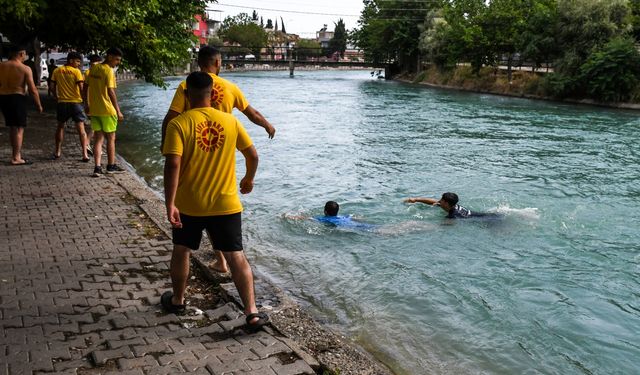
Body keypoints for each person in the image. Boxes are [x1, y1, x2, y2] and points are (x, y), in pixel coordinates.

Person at [162, 71, 267, 331]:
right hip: (226, 204)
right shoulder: (230, 122)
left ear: (186, 94)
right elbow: (252, 155)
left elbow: (173, 164)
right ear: (212, 93)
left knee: (182, 250)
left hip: (189, 203)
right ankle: (252, 313)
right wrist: (248, 180)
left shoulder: (179, 124)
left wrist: (170, 203)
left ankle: (178, 300)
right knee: (236, 256)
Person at [161, 46, 276, 274]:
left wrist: (167, 145)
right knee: (218, 205)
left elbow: (171, 117)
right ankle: (224, 260)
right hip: (221, 149)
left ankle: (217, 261)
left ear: (199, 62)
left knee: (196, 207)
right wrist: (267, 125)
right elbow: (251, 113)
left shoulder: (187, 85)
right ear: (217, 62)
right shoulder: (231, 87)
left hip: (192, 149)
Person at [0, 44, 43, 165]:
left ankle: (15, 154)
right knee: (19, 128)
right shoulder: (24, 68)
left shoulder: (1, 66)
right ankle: (16, 157)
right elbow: (32, 89)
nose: (26, 56)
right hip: (17, 97)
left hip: (3, 97)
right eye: (25, 54)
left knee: (13, 127)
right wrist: (38, 105)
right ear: (21, 54)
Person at [84, 47, 124, 176]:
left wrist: (86, 103)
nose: (117, 62)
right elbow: (111, 92)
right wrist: (118, 111)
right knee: (111, 138)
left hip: (95, 110)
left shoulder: (93, 68)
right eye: (117, 59)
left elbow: (85, 86)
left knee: (98, 139)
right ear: (110, 56)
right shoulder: (108, 71)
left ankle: (97, 168)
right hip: (107, 110)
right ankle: (111, 166)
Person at [50, 51, 89, 161]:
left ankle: (57, 151)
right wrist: (85, 102)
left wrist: (56, 97)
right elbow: (81, 88)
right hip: (76, 103)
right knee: (81, 129)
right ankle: (84, 154)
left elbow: (52, 86)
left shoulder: (57, 71)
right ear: (70, 60)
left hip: (62, 103)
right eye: (77, 61)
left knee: (60, 127)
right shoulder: (76, 72)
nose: (78, 64)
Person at [404, 192, 498, 219]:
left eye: (442, 200)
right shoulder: (450, 205)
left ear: (446, 203)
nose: (439, 201)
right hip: (487, 215)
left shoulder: (453, 215)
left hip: (488, 219)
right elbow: (433, 202)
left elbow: (449, 225)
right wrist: (416, 199)